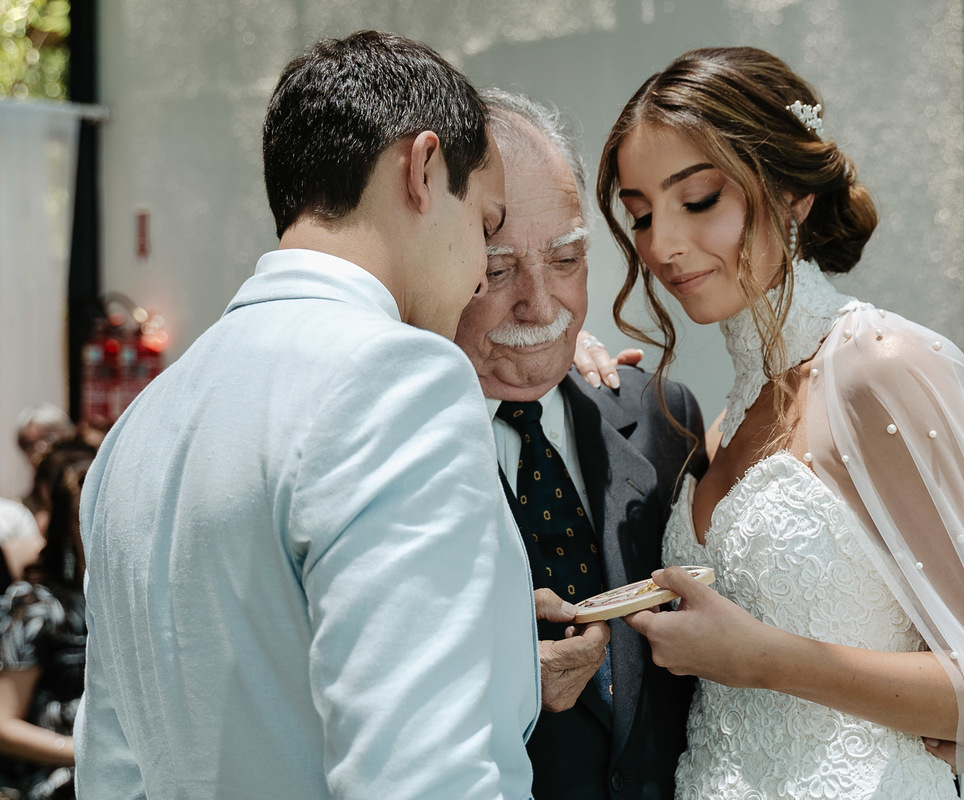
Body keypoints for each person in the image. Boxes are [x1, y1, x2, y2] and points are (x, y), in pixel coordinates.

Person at [596, 47, 964, 799]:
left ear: (792, 192)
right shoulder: (724, 423)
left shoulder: (884, 367)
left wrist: (762, 657)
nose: (661, 246)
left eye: (697, 201)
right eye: (640, 216)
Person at [76, 31, 539, 799]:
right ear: (423, 169)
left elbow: (110, 772)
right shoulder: (399, 377)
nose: (479, 276)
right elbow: (417, 776)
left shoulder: (138, 428)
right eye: (485, 226)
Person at [453, 88, 706, 800]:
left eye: (566, 259)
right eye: (497, 271)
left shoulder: (662, 415)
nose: (541, 303)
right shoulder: (390, 449)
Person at [0, 438, 94, 800]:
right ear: (66, 524)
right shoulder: (38, 605)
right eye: (84, 516)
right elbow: (4, 722)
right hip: (60, 781)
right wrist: (78, 752)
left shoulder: (131, 598)